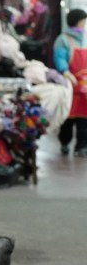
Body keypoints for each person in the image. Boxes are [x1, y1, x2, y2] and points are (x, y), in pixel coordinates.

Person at [53, 8, 87, 156]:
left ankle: (81, 147)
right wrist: (66, 72)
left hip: (85, 87)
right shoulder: (63, 39)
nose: (84, 25)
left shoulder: (85, 38)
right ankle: (64, 142)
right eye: (82, 22)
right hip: (70, 85)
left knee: (84, 119)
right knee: (68, 118)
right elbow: (59, 58)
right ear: (76, 22)